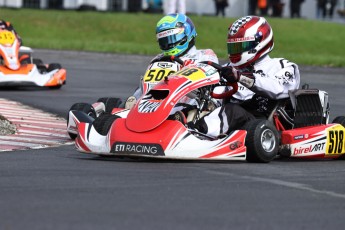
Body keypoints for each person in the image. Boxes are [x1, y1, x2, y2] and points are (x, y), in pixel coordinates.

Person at [192, 16, 301, 137]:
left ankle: (197, 134)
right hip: (231, 122)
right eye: (233, 47)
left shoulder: (282, 66)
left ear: (258, 43)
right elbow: (216, 97)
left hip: (261, 124)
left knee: (233, 111)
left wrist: (241, 77)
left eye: (240, 47)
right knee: (193, 108)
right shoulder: (229, 68)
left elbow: (278, 89)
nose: (235, 51)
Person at [125, 13, 219, 110]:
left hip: (190, 107)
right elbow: (147, 86)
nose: (168, 44)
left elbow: (209, 83)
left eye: (171, 39)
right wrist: (135, 99)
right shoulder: (158, 59)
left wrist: (188, 69)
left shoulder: (203, 55)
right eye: (164, 41)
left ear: (186, 33)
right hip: (157, 106)